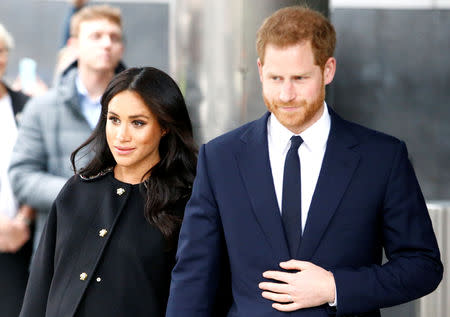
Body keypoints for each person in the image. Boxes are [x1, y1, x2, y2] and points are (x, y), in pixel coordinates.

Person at [166, 6, 443, 317]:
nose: (286, 94)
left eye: (299, 78)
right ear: (259, 71)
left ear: (328, 70)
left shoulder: (382, 158)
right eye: (275, 78)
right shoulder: (220, 158)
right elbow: (193, 277)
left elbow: (423, 266)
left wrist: (335, 287)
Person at [19, 67, 197, 317]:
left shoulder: (186, 203)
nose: (121, 136)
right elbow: (39, 286)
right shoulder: (77, 190)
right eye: (114, 120)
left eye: (138, 123)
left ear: (165, 127)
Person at [9, 5, 125, 252]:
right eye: (96, 36)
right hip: (60, 247)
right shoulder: (41, 108)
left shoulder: (142, 108)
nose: (106, 44)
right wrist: (82, 192)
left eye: (114, 37)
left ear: (121, 48)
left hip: (124, 243)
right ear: (73, 46)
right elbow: (22, 176)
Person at [0, 22, 35, 317]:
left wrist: (23, 219)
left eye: (0, 50)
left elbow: (38, 164)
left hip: (18, 238)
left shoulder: (27, 106)